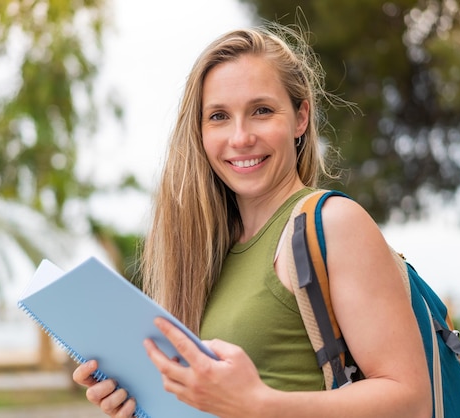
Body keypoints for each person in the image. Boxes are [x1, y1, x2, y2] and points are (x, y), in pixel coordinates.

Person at [73, 22, 432, 418]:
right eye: (219, 116)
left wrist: (260, 404)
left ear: (300, 118)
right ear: (199, 131)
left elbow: (410, 400)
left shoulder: (333, 223)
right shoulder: (209, 250)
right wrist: (142, 402)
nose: (240, 137)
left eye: (261, 111)